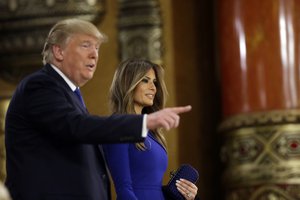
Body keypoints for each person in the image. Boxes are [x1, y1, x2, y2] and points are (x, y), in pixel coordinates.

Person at [4, 18, 192, 200]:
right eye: (86, 45)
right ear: (59, 51)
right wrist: (144, 122)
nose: (95, 54)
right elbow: (76, 126)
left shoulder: (71, 94)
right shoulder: (40, 85)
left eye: (97, 47)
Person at [103, 58, 198, 200]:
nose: (153, 88)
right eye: (145, 80)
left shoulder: (153, 133)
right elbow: (123, 189)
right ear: (128, 83)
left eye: (154, 82)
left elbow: (153, 187)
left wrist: (186, 194)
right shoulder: (119, 126)